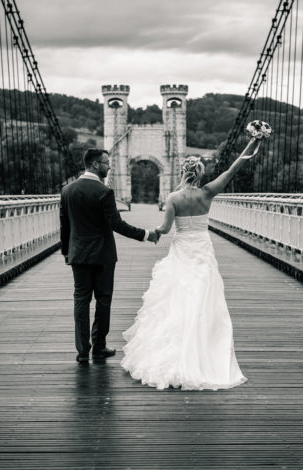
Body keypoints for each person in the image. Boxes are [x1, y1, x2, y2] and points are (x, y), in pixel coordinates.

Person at [121, 138, 261, 390]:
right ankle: (203, 351)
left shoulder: (173, 198)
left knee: (178, 297)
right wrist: (253, 142)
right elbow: (232, 169)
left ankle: (176, 350)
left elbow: (164, 229)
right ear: (200, 173)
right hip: (203, 249)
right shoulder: (208, 192)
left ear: (182, 172)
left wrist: (150, 233)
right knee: (204, 298)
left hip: (183, 248)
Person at [60, 148, 160, 364]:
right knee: (103, 301)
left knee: (81, 300)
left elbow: (65, 226)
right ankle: (99, 347)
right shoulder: (104, 192)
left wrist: (67, 252)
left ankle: (82, 352)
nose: (109, 166)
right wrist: (146, 235)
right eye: (106, 163)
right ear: (95, 164)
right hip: (103, 256)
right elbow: (116, 224)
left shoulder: (67, 190)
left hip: (78, 255)